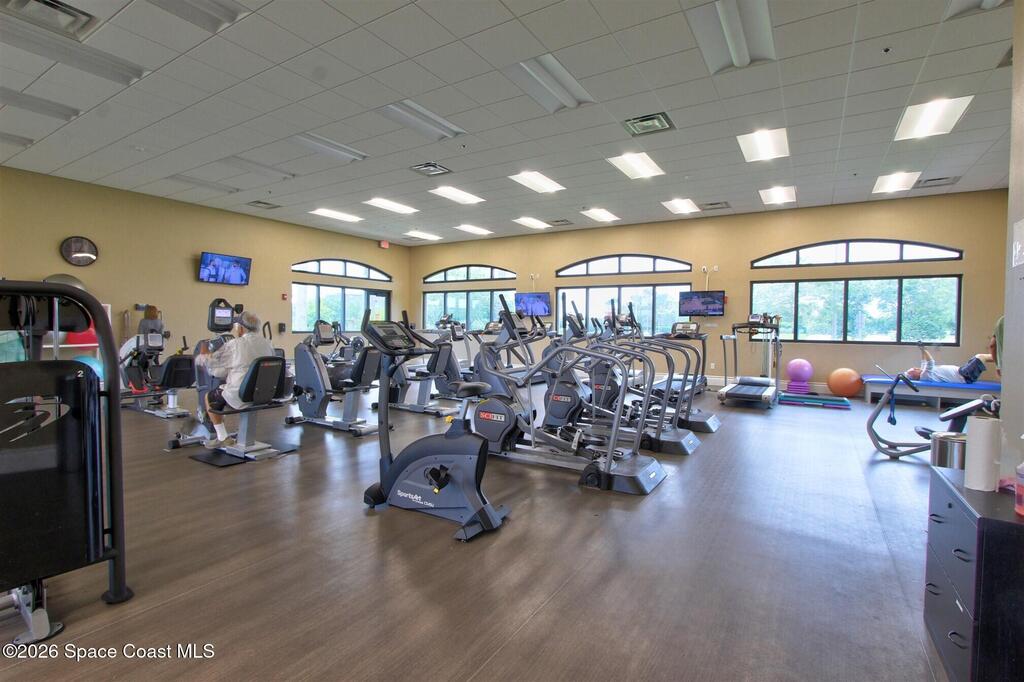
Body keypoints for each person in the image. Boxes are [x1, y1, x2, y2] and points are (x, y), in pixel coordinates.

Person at [195, 310, 275, 448]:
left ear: (241, 328)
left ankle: (222, 437)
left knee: (210, 397)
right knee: (230, 390)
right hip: (265, 393)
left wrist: (203, 356)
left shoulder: (235, 344)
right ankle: (243, 438)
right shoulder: (268, 344)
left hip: (242, 394)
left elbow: (214, 367)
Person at [905, 341, 993, 384]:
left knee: (978, 358)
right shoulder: (925, 376)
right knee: (980, 357)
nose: (915, 368)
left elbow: (924, 360)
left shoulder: (923, 371)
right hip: (965, 376)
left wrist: (922, 349)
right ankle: (999, 358)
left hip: (962, 371)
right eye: (913, 370)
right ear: (915, 376)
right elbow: (930, 362)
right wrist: (923, 349)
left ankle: (998, 360)